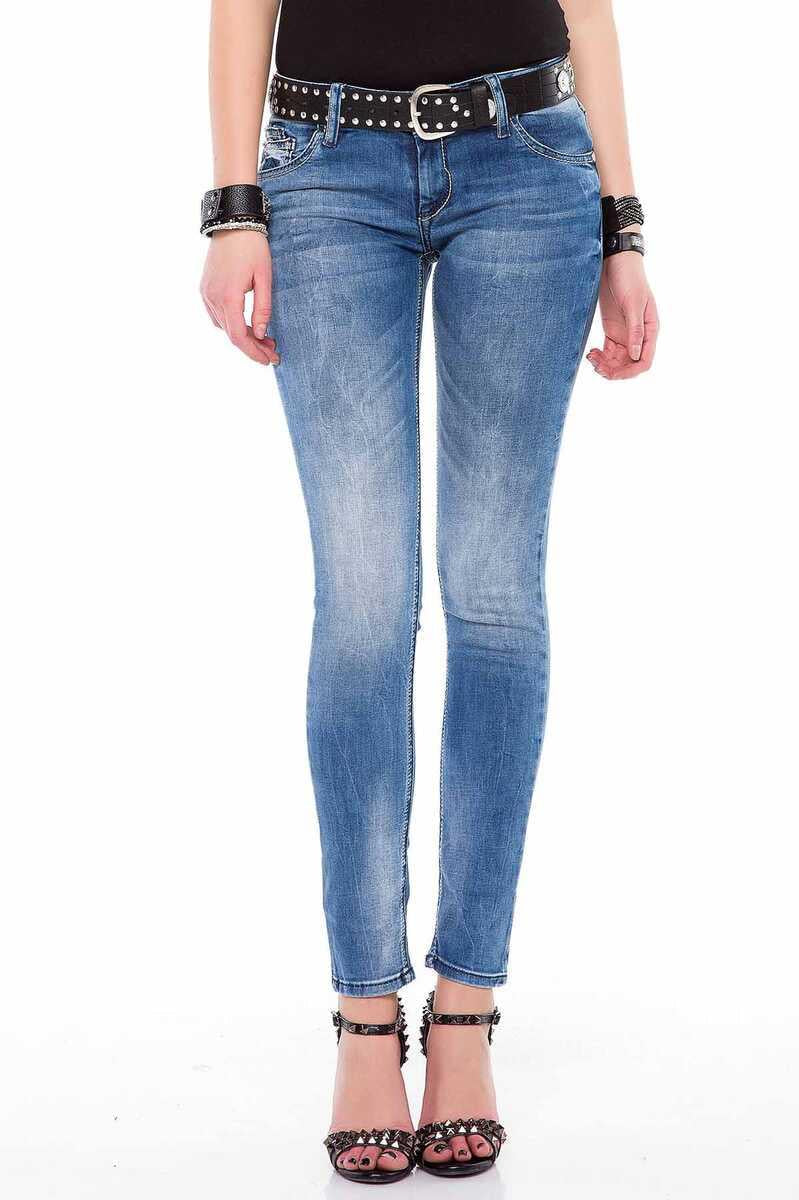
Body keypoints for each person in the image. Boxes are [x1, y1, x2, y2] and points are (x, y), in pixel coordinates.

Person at [200, 0, 658, 1183]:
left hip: (528, 160)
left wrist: (623, 226)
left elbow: (587, 7)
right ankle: (365, 1017)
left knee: (494, 595)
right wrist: (233, 206)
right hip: (322, 166)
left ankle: (465, 1006)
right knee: (363, 603)